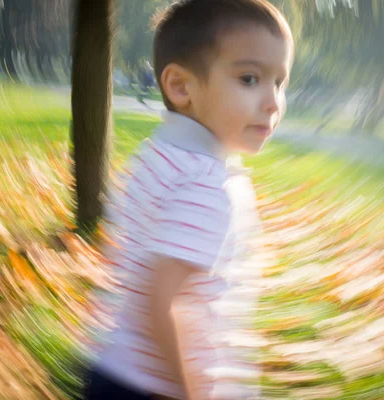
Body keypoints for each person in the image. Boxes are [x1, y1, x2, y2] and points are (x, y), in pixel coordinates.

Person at [84, 0, 293, 398]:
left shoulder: (159, 153)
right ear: (181, 87)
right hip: (154, 383)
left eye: (279, 82)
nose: (272, 102)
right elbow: (160, 300)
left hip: (111, 363)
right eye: (250, 79)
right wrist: (184, 391)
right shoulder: (208, 186)